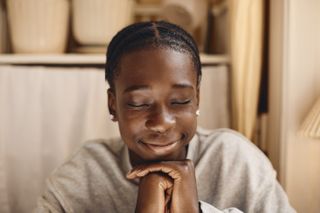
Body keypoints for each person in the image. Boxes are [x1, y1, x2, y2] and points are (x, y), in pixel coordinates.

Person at [36, 21, 295, 213]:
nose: (161, 122)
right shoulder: (83, 174)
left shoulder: (235, 160)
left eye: (180, 101)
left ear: (197, 100)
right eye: (139, 103)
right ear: (113, 105)